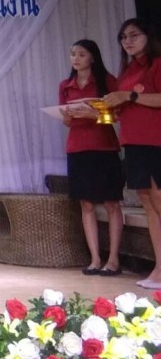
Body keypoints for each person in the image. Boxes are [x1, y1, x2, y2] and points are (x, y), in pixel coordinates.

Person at [103, 18, 161, 289]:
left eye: (134, 35)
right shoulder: (126, 71)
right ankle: (159, 268)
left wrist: (129, 97)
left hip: (156, 141)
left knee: (158, 201)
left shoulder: (157, 64)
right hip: (134, 142)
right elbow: (128, 103)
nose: (128, 41)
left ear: (148, 36)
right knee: (148, 203)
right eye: (123, 37)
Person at [58, 39, 123, 276]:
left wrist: (94, 114)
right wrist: (67, 116)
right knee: (86, 204)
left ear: (93, 57)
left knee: (111, 202)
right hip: (77, 147)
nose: (75, 59)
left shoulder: (107, 81)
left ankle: (113, 259)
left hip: (103, 146)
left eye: (81, 54)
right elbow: (67, 121)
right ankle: (95, 259)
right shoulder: (66, 85)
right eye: (72, 54)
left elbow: (117, 116)